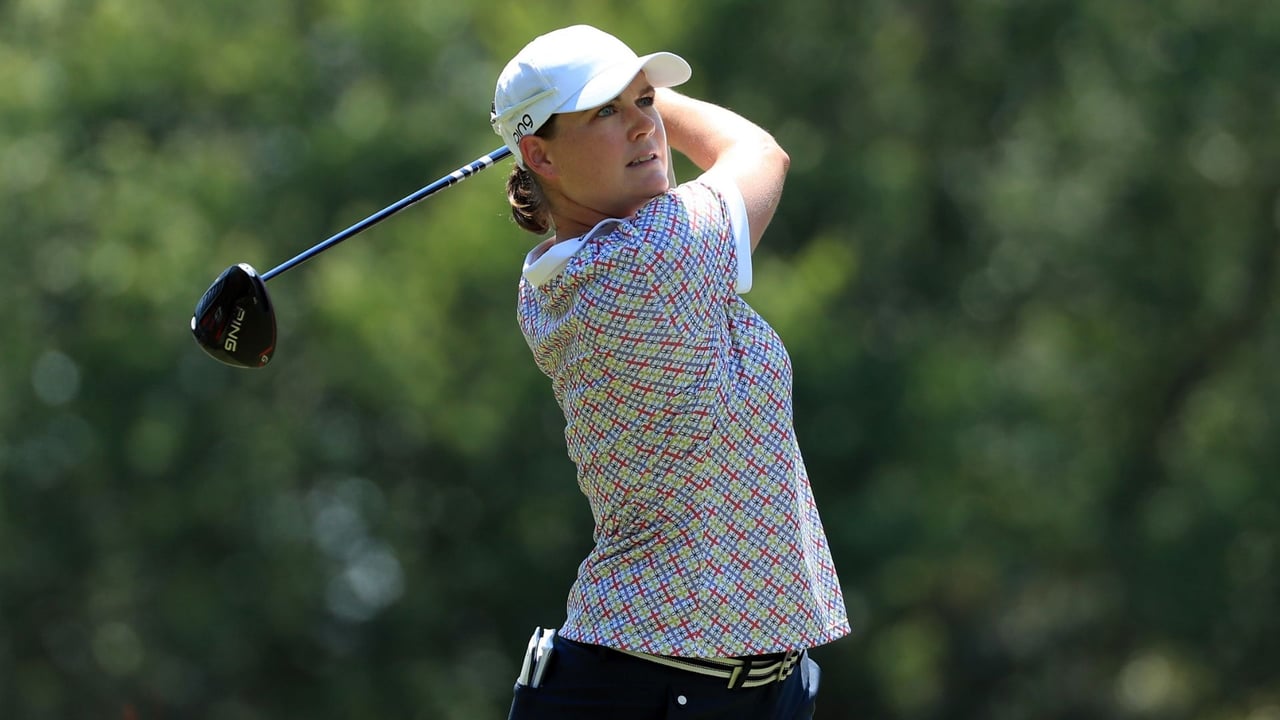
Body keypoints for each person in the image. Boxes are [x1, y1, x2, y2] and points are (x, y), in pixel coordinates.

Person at [490, 25, 850, 719]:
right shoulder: (650, 258)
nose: (641, 129)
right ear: (540, 154)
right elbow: (759, 151)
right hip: (647, 693)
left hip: (748, 689)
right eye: (605, 112)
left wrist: (590, 116)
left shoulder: (549, 282)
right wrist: (654, 107)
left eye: (645, 102)